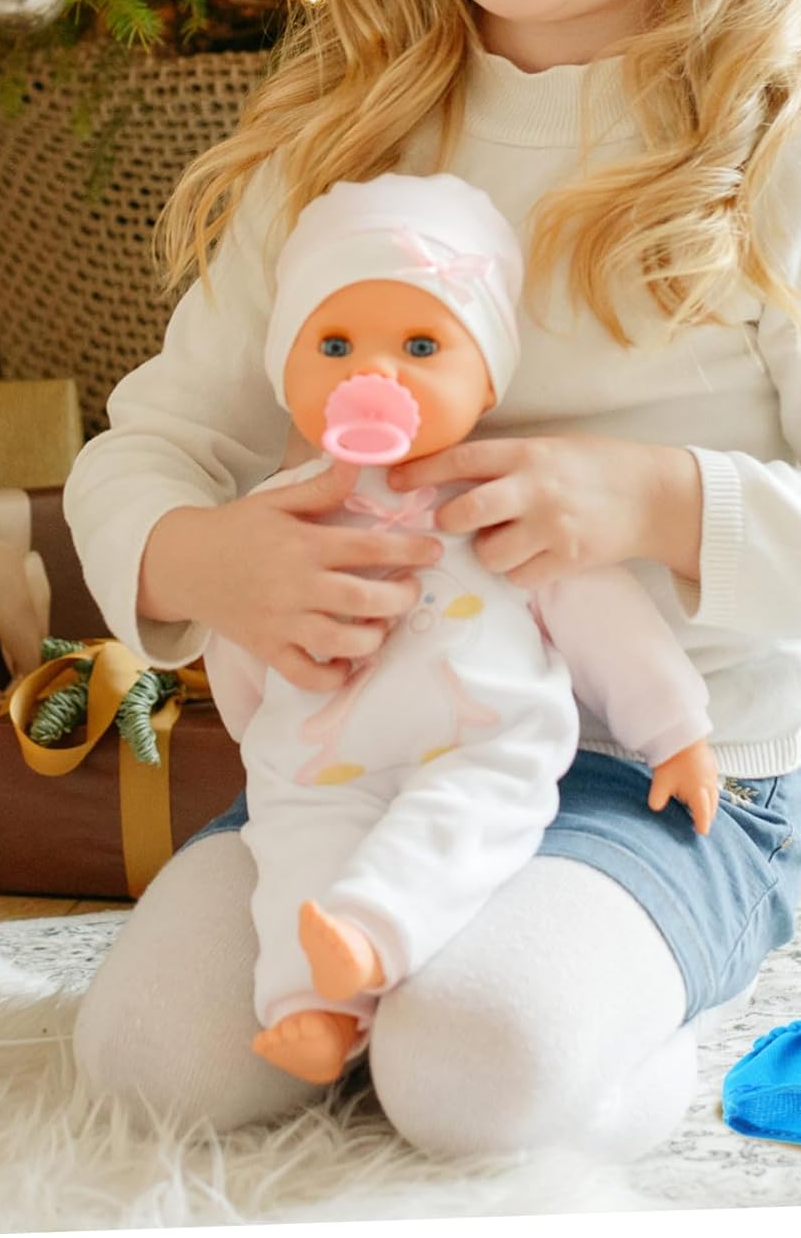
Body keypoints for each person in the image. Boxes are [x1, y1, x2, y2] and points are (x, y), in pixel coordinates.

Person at [65, 0, 801, 1159]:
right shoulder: (336, 151)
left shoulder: (788, 164)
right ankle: (440, 970)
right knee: (148, 1069)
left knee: (470, 1071)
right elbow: (155, 442)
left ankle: (628, 1010)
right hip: (355, 771)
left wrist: (657, 502)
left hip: (663, 779)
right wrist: (203, 558)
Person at [211, 172, 718, 1086]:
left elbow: (601, 613)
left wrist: (674, 729)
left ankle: (373, 935)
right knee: (293, 843)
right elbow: (241, 629)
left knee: (458, 821)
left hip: (482, 740)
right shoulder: (278, 514)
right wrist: (261, 730)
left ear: (484, 381)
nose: (374, 374)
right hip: (323, 754)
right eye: (335, 346)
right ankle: (312, 1007)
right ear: (288, 374)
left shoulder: (504, 495)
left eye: (419, 346)